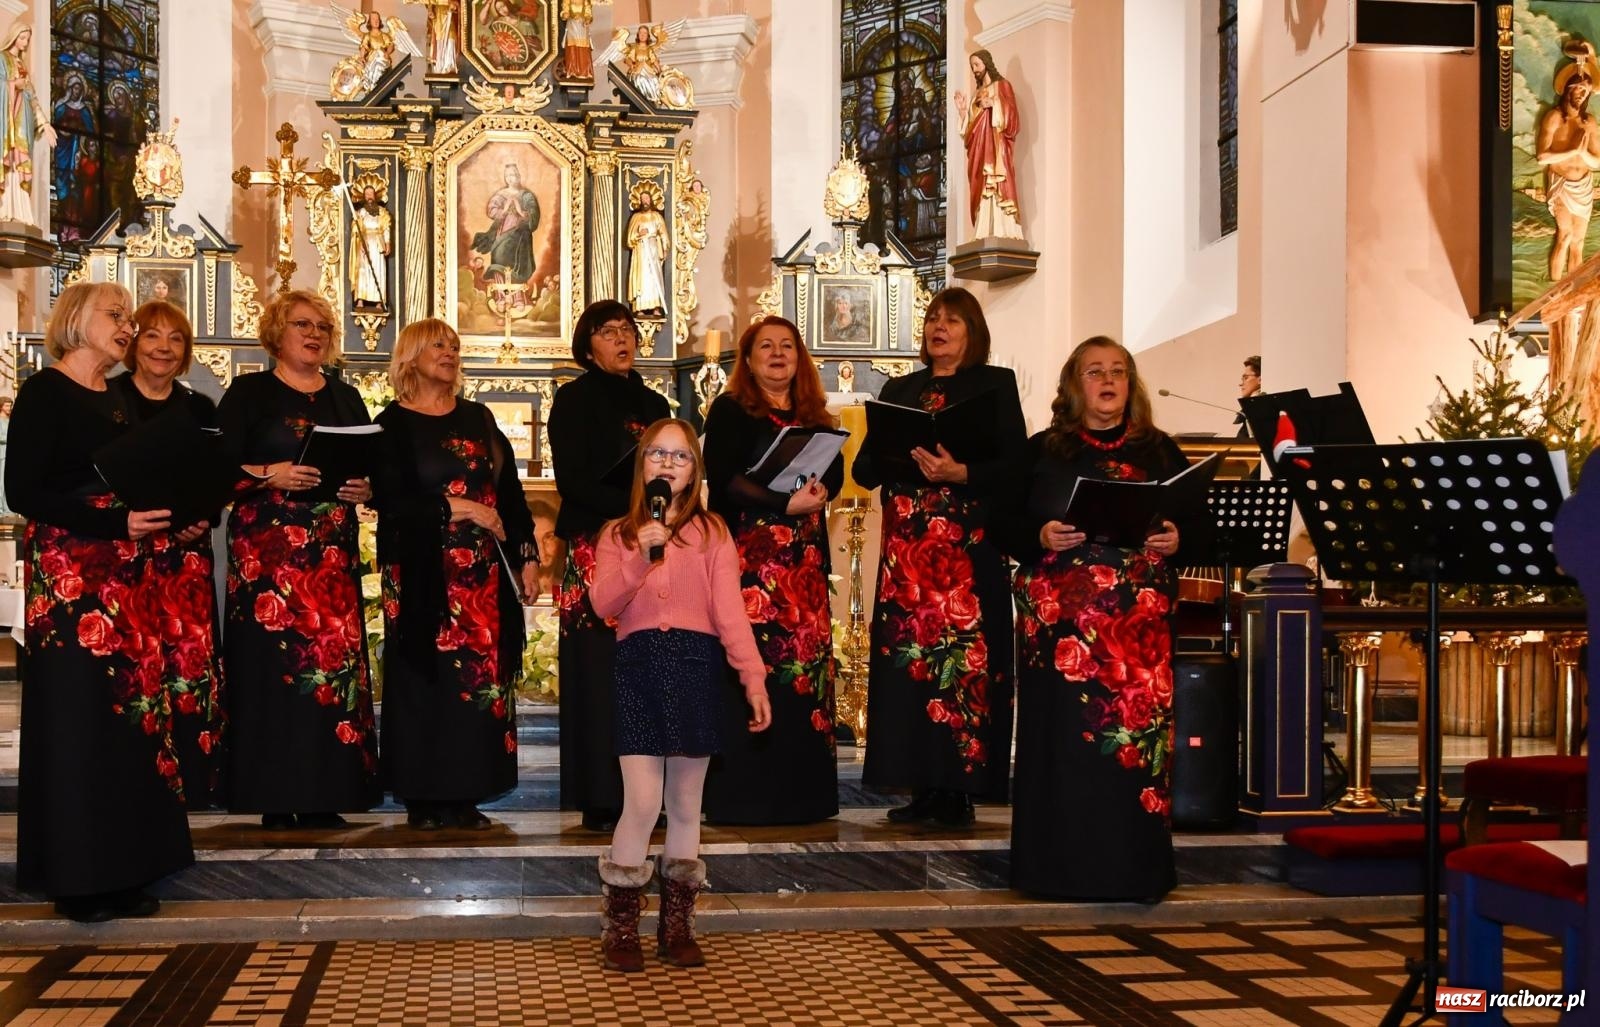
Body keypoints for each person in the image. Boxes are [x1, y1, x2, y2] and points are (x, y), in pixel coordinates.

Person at [7, 282, 201, 921]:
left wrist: (179, 510)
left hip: (131, 579)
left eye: (128, 317)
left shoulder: (119, 399)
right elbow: (23, 491)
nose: (128, 326)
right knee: (78, 720)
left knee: (130, 720)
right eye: (115, 315)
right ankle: (79, 879)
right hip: (71, 581)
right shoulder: (45, 391)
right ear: (76, 319)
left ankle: (125, 868)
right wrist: (112, 523)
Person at [997, 336, 1202, 903]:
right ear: (1073, 384)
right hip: (1061, 635)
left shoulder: (1160, 450)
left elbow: (1199, 521)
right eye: (1094, 371)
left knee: (1131, 746)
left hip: (1136, 635)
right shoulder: (1042, 450)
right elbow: (999, 521)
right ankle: (1056, 873)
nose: (1108, 380)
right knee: (1064, 746)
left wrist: (1177, 538)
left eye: (1117, 371)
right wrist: (1039, 535)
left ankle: (1132, 872)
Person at [589, 417, 772, 972]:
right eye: (657, 453)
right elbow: (602, 604)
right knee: (643, 801)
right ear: (641, 464)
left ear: (695, 470)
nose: (668, 463)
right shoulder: (618, 534)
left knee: (687, 804)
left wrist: (753, 676)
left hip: (695, 667)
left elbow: (730, 611)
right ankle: (622, 927)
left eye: (681, 455)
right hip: (640, 668)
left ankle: (677, 926)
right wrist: (639, 557)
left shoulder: (712, 532)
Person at [851, 286, 1026, 826]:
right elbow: (863, 470)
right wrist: (892, 452)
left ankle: (959, 789)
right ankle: (922, 786)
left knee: (965, 666)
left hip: (966, 559)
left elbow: (1017, 466)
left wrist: (961, 472)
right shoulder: (900, 389)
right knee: (910, 670)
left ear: (974, 331)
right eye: (932, 318)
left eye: (952, 320)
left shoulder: (994, 384)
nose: (938, 327)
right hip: (908, 563)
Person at [216, 289, 379, 831]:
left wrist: (363, 488)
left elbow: (371, 465)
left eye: (323, 327)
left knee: (331, 669)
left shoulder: (345, 398)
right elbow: (215, 467)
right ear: (276, 333)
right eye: (302, 325)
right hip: (267, 562)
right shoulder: (249, 393)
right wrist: (270, 474)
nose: (314, 335)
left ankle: (325, 792)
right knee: (271, 670)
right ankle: (273, 795)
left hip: (330, 559)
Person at [370, 319, 539, 831]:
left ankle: (467, 791)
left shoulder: (478, 418)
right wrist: (461, 508)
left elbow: (510, 496)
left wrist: (527, 556)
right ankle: (422, 796)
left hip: (481, 577)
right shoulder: (391, 424)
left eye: (454, 346)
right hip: (420, 572)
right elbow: (391, 500)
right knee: (423, 679)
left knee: (478, 681)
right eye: (438, 345)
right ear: (411, 356)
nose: (450, 352)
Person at [701, 317, 842, 825]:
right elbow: (724, 478)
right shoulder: (730, 410)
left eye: (787, 346)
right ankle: (744, 796)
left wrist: (819, 492)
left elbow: (835, 473)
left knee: (804, 675)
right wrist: (785, 504)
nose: (778, 354)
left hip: (803, 568)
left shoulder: (817, 415)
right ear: (748, 358)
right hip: (750, 565)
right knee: (751, 666)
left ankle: (804, 797)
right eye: (766, 346)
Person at [548, 301, 669, 831]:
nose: (622, 339)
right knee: (597, 667)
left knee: (650, 663)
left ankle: (649, 795)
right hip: (596, 542)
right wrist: (629, 510)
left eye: (628, 330)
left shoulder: (655, 403)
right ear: (588, 345)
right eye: (608, 331)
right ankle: (600, 794)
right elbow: (572, 481)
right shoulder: (573, 400)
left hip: (651, 544)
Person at [113, 299, 227, 807]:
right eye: (153, 336)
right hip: (126, 554)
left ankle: (192, 782)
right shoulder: (109, 401)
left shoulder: (199, 408)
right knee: (132, 669)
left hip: (187, 558)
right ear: (134, 344)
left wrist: (203, 518)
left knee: (189, 668)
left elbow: (216, 476)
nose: (164, 347)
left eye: (175, 338)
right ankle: (132, 778)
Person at [953, 49, 1023, 239]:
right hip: (979, 151)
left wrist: (994, 103)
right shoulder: (976, 94)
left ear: (987, 63)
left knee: (997, 183)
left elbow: (1013, 120)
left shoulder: (1002, 86)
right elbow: (969, 131)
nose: (975, 69)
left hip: (997, 149)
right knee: (983, 186)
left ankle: (1003, 229)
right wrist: (962, 112)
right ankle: (984, 229)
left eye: (977, 65)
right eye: (972, 66)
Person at [0, 24, 53, 225]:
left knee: (20, 163)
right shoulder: (2, 59)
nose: (25, 43)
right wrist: (13, 85)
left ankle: (20, 211)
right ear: (14, 37)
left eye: (27, 39)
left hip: (23, 124)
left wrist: (45, 124)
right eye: (22, 38)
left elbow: (33, 99)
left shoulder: (22, 65)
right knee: (9, 162)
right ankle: (5, 208)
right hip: (7, 126)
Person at [471, 162, 539, 293]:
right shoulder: (501, 195)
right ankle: (501, 296)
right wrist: (505, 209)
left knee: (519, 262)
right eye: (507, 175)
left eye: (513, 174)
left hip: (521, 234)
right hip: (503, 230)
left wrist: (520, 211)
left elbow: (533, 214)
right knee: (499, 256)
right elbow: (491, 210)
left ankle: (518, 297)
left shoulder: (526, 195)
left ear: (518, 176)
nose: (510, 178)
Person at [625, 191, 668, 317]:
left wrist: (665, 247)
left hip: (653, 249)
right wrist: (639, 234)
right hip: (640, 251)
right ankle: (640, 308)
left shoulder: (656, 216)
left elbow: (663, 233)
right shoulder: (636, 217)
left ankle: (656, 307)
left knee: (654, 277)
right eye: (642, 199)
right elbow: (629, 238)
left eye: (647, 198)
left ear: (651, 200)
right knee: (642, 277)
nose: (645, 201)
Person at [349, 185, 391, 310]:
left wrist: (387, 243)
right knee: (363, 271)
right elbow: (356, 228)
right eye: (367, 194)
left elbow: (386, 228)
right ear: (364, 196)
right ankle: (360, 299)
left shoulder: (382, 212)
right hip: (364, 242)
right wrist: (360, 240)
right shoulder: (361, 212)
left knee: (378, 271)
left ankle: (379, 301)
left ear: (375, 196)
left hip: (378, 243)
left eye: (371, 194)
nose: (369, 197)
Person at [560, 0, 594, 78]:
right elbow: (564, 12)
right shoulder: (567, 1)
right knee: (572, 46)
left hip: (582, 26)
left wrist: (587, 19)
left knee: (583, 47)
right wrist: (565, 15)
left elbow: (588, 14)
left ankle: (584, 71)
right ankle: (572, 70)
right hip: (572, 25)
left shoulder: (585, 1)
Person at [1235, 354, 1260, 439]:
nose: (1241, 384)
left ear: (1260, 379)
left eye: (1246, 378)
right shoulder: (1250, 407)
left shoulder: (1263, 408)